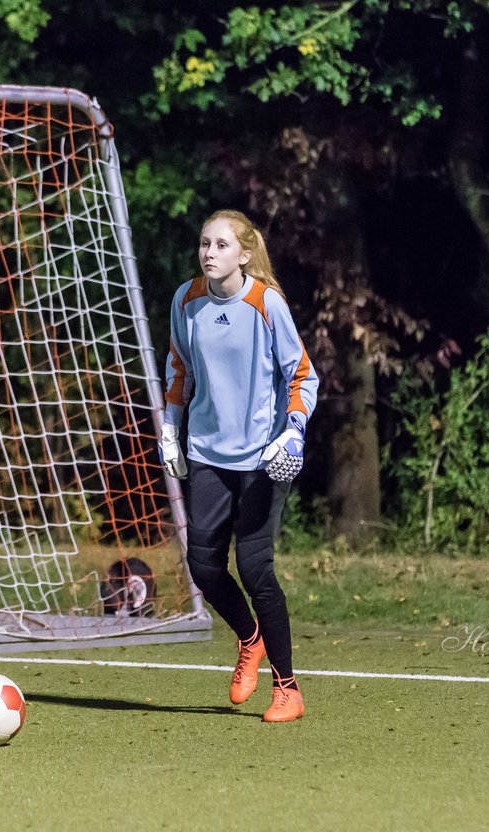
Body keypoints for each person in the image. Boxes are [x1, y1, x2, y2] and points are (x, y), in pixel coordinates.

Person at [159, 209, 319, 722]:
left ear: (245, 254)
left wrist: (292, 432)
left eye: (222, 245)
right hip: (207, 452)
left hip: (264, 457)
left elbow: (301, 375)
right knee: (204, 566)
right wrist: (170, 428)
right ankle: (249, 639)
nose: (210, 253)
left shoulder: (266, 302)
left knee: (255, 568)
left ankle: (288, 689)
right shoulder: (186, 301)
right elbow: (179, 366)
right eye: (205, 243)